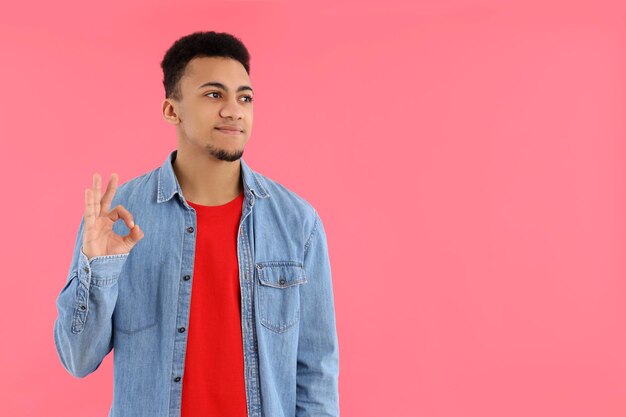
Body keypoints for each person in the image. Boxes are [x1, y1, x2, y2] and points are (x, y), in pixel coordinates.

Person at [53, 31, 339, 417]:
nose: (234, 110)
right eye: (213, 94)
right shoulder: (115, 218)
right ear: (172, 110)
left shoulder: (297, 222)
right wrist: (98, 268)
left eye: (245, 97)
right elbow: (78, 359)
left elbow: (316, 370)